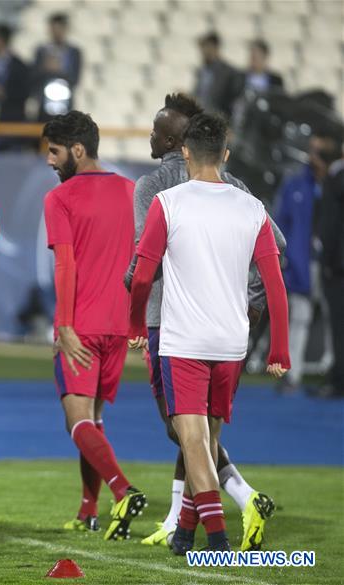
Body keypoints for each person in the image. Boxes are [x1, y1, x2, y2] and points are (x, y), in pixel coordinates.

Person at [127, 93, 285, 551]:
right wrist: (273, 341)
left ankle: (217, 534)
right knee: (208, 434)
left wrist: (134, 322)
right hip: (233, 339)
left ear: (183, 148)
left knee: (188, 436)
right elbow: (276, 279)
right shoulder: (247, 202)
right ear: (226, 154)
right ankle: (184, 528)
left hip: (179, 333)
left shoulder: (164, 197)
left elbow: (142, 272)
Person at [42, 111, 147, 541]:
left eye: (55, 151)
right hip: (118, 325)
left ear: (78, 149)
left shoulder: (60, 198)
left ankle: (123, 490)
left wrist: (64, 326)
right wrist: (138, 321)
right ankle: (89, 510)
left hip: (81, 324)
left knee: (76, 421)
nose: (50, 160)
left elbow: (65, 264)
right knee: (94, 419)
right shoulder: (131, 191)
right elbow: (144, 263)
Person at [274, 131, 341, 392]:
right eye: (313, 150)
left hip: (334, 262)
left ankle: (335, 372)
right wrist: (284, 257)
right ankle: (293, 374)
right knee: (299, 317)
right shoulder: (295, 184)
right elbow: (280, 223)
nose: (315, 156)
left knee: (336, 319)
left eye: (320, 151)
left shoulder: (337, 181)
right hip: (302, 261)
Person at [316, 152, 344, 397]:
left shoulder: (336, 179)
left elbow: (330, 224)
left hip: (338, 266)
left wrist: (326, 260)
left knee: (339, 325)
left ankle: (339, 380)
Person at [0, 24, 32, 152]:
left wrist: (4, 93)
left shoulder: (19, 65)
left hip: (14, 121)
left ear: (0, 40)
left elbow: (25, 91)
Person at [33, 13, 83, 118]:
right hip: (43, 104)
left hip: (66, 103)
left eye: (59, 28)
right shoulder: (41, 51)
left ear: (65, 29)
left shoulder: (74, 52)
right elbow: (34, 76)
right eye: (54, 28)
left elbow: (75, 79)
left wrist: (58, 71)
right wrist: (46, 69)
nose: (56, 32)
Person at [193, 32, 239, 117]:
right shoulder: (201, 71)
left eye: (206, 47)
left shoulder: (228, 72)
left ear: (215, 48)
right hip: (201, 117)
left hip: (219, 118)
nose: (203, 51)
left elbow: (232, 101)